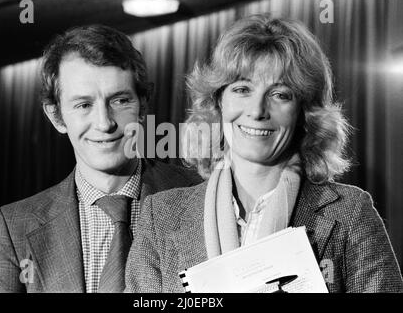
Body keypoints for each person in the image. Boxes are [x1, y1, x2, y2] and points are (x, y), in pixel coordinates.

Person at [125, 15, 403, 293]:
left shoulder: (351, 212)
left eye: (280, 94)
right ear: (218, 102)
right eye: (242, 89)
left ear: (304, 113)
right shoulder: (160, 216)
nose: (257, 110)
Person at [0, 25, 202, 293]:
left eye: (120, 101)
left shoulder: (200, 195)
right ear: (56, 116)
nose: (104, 123)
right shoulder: (14, 226)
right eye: (84, 105)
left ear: (143, 105)